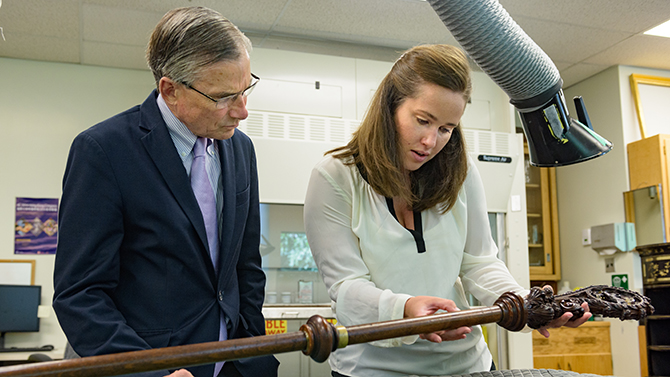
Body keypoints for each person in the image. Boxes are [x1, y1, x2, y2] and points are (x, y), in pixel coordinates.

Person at [303, 44, 590, 377]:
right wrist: (406, 309)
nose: (430, 142)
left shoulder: (460, 169)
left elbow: (480, 263)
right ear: (390, 107)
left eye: (446, 129)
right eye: (423, 120)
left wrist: (528, 306)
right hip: (373, 368)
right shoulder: (334, 176)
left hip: (465, 363)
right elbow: (347, 287)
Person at [53, 7, 278, 377]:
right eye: (224, 97)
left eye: (246, 89)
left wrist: (253, 352)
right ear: (170, 90)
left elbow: (246, 267)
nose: (242, 112)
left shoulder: (240, 149)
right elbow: (80, 294)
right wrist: (151, 371)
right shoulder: (104, 151)